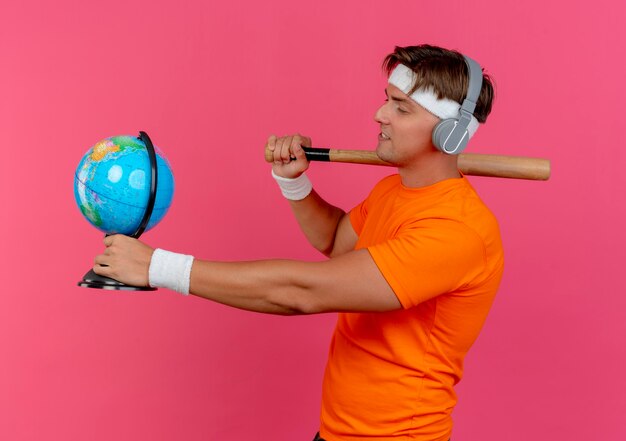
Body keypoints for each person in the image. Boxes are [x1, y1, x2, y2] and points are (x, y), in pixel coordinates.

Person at [93, 44, 504, 441]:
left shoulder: (457, 231)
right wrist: (294, 181)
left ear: (450, 133)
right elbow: (338, 243)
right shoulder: (394, 191)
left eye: (401, 107)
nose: (379, 114)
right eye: (387, 99)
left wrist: (159, 268)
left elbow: (302, 292)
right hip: (341, 431)